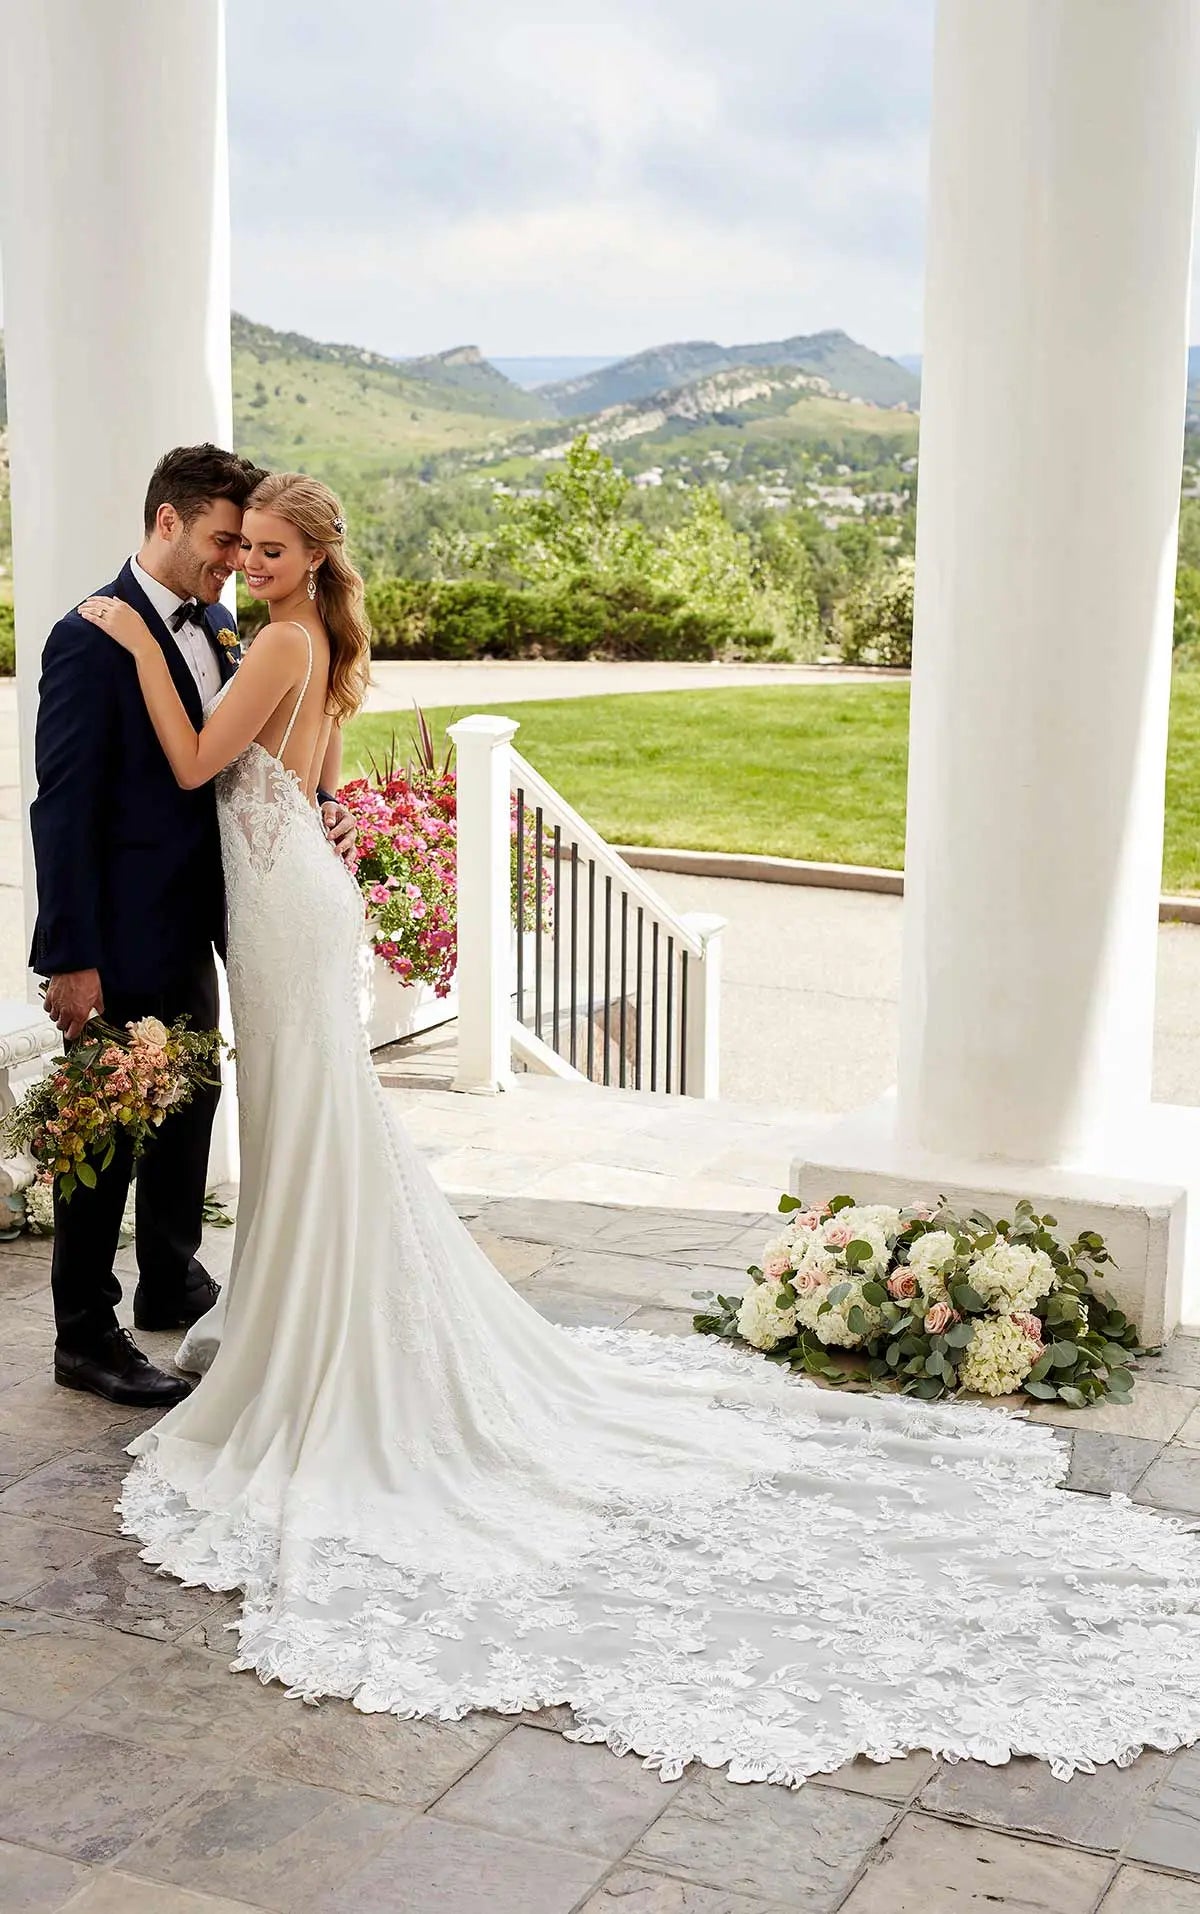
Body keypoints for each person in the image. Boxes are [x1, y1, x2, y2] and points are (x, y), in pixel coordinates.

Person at [87, 474, 1200, 1792]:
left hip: (284, 908)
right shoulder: (316, 638)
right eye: (245, 547)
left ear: (312, 555)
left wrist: (127, 640)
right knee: (317, 1118)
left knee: (313, 1115)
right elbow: (304, 781)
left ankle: (317, 1332)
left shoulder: (276, 637)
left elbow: (201, 762)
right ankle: (305, 1313)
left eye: (272, 549)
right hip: (296, 899)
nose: (253, 564)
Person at [30, 445, 355, 1409]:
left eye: (250, 547)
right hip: (120, 933)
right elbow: (64, 804)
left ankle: (169, 1279)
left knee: (188, 1114)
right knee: (111, 1131)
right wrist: (70, 956)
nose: (232, 565)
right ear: (167, 522)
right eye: (223, 542)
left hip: (213, 922)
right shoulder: (91, 637)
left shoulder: (222, 624)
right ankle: (84, 1333)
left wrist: (318, 811)